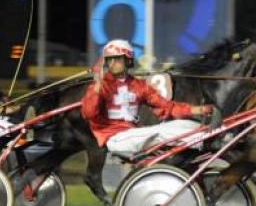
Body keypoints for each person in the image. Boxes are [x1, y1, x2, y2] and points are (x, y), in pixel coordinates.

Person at [81, 39, 219, 157]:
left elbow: (168, 107)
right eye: (109, 60)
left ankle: (214, 135)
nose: (112, 63)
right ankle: (208, 141)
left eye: (117, 59)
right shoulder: (100, 86)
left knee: (184, 125)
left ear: (128, 61)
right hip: (114, 138)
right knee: (159, 131)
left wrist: (199, 110)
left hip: (132, 135)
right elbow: (88, 114)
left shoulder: (139, 86)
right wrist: (97, 87)